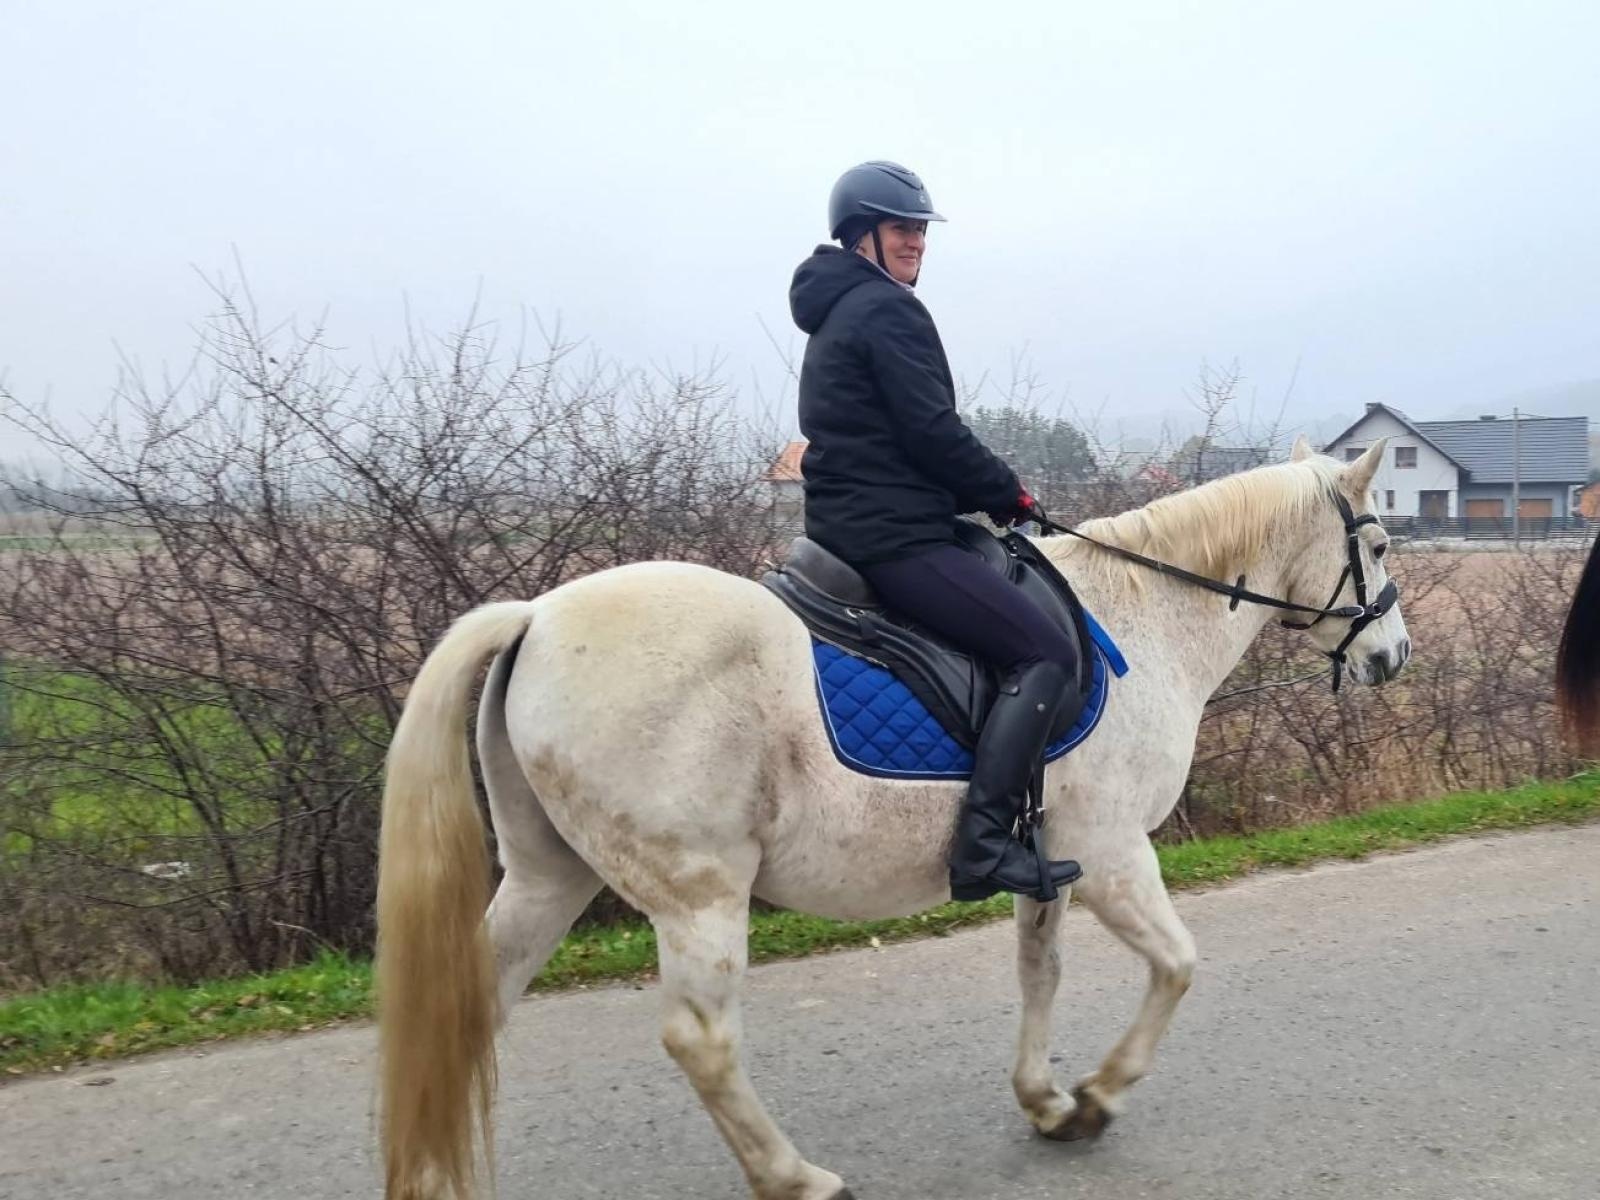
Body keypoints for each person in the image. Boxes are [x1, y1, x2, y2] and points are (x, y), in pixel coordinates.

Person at [788, 160, 1082, 902]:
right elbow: (932, 432)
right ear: (861, 236)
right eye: (901, 228)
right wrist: (1008, 493)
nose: (916, 241)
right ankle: (984, 846)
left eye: (921, 229)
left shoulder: (835, 312)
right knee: (1044, 652)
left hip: (853, 524)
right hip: (894, 538)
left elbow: (894, 437)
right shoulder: (886, 310)